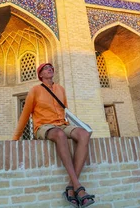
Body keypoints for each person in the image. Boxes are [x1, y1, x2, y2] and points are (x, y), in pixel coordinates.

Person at [13, 63, 95, 207]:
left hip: (62, 124)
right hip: (44, 126)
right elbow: (25, 115)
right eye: (46, 68)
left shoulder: (60, 89)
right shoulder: (35, 90)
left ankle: (71, 186)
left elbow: (65, 111)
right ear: (40, 75)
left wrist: (72, 127)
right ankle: (79, 188)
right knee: (60, 135)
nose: (50, 69)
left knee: (84, 134)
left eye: (51, 67)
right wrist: (15, 138)